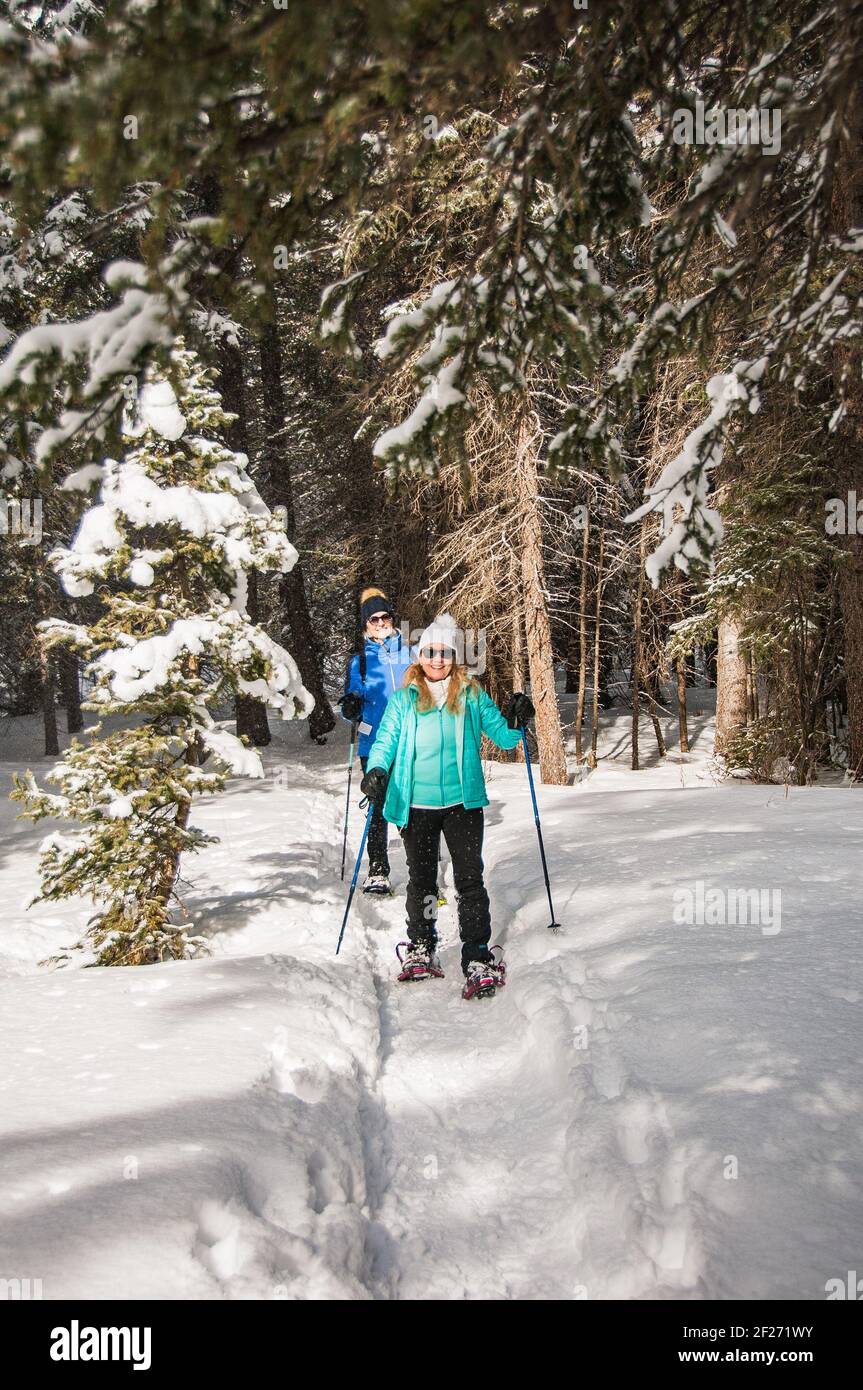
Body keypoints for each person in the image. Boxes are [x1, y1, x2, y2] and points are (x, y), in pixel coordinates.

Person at [359, 610, 535, 999]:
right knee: (422, 881)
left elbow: (505, 738)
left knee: (469, 881)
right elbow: (385, 741)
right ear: (419, 657)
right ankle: (421, 947)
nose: (437, 660)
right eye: (430, 652)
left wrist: (518, 718)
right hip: (414, 805)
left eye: (444, 653)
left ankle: (476, 955)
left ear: (454, 657)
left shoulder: (471, 694)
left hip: (462, 803)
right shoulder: (404, 699)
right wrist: (376, 770)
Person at [339, 587, 415, 894]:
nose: (381, 622)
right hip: (373, 744)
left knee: (410, 805)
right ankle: (378, 871)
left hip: (408, 740)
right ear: (365, 624)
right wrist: (350, 706)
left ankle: (420, 869)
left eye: (385, 616)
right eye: (374, 618)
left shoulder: (411, 655)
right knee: (378, 806)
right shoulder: (359, 662)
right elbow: (349, 703)